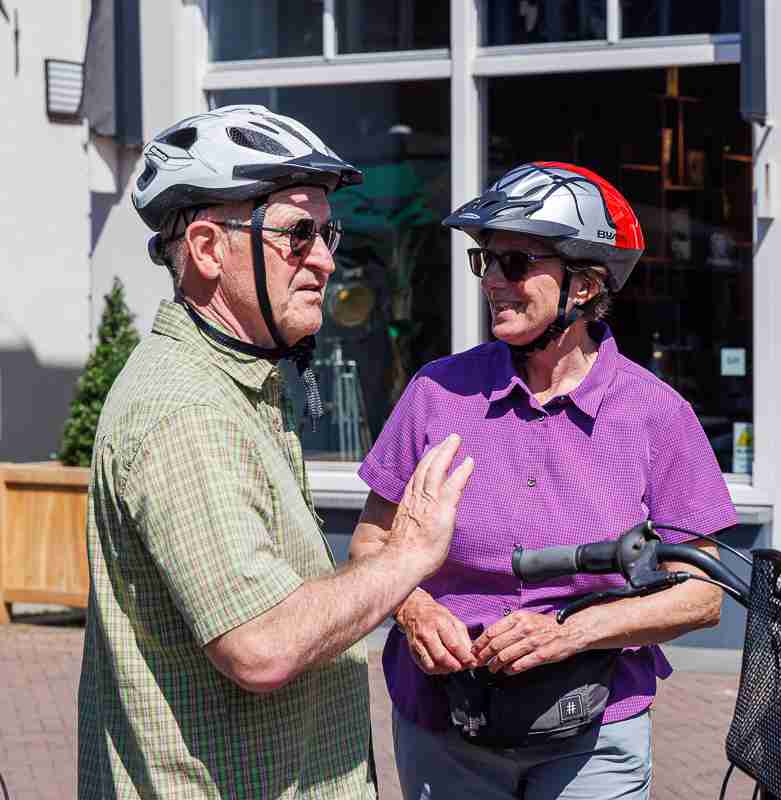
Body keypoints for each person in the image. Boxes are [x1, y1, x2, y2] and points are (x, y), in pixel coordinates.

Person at [78, 104, 474, 799]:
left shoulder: (244, 386)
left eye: (328, 233)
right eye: (297, 234)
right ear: (207, 248)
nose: (325, 259)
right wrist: (408, 557)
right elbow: (260, 645)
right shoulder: (188, 413)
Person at [349, 162, 738, 799]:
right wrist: (413, 608)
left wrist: (569, 633)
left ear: (584, 285)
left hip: (593, 732)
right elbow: (370, 541)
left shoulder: (657, 413)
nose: (492, 282)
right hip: (446, 725)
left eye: (516, 263)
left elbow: (701, 595)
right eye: (486, 261)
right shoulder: (436, 393)